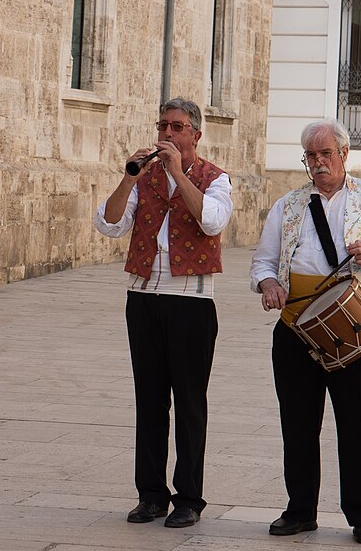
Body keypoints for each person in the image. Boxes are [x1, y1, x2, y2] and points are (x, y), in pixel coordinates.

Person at [249, 118, 361, 545]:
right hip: (295, 327)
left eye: (326, 154)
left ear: (344, 154)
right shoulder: (287, 205)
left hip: (356, 326)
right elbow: (263, 263)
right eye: (311, 156)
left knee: (358, 423)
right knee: (298, 423)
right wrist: (269, 284)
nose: (318, 162)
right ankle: (300, 510)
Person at [93, 97, 233, 528]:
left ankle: (189, 498)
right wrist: (127, 178)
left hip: (191, 303)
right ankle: (151, 495)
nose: (167, 135)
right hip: (143, 299)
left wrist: (176, 172)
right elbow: (109, 223)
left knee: (190, 403)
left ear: (195, 134)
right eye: (162, 127)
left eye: (176, 127)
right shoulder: (144, 177)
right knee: (150, 401)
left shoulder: (216, 179)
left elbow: (211, 221)